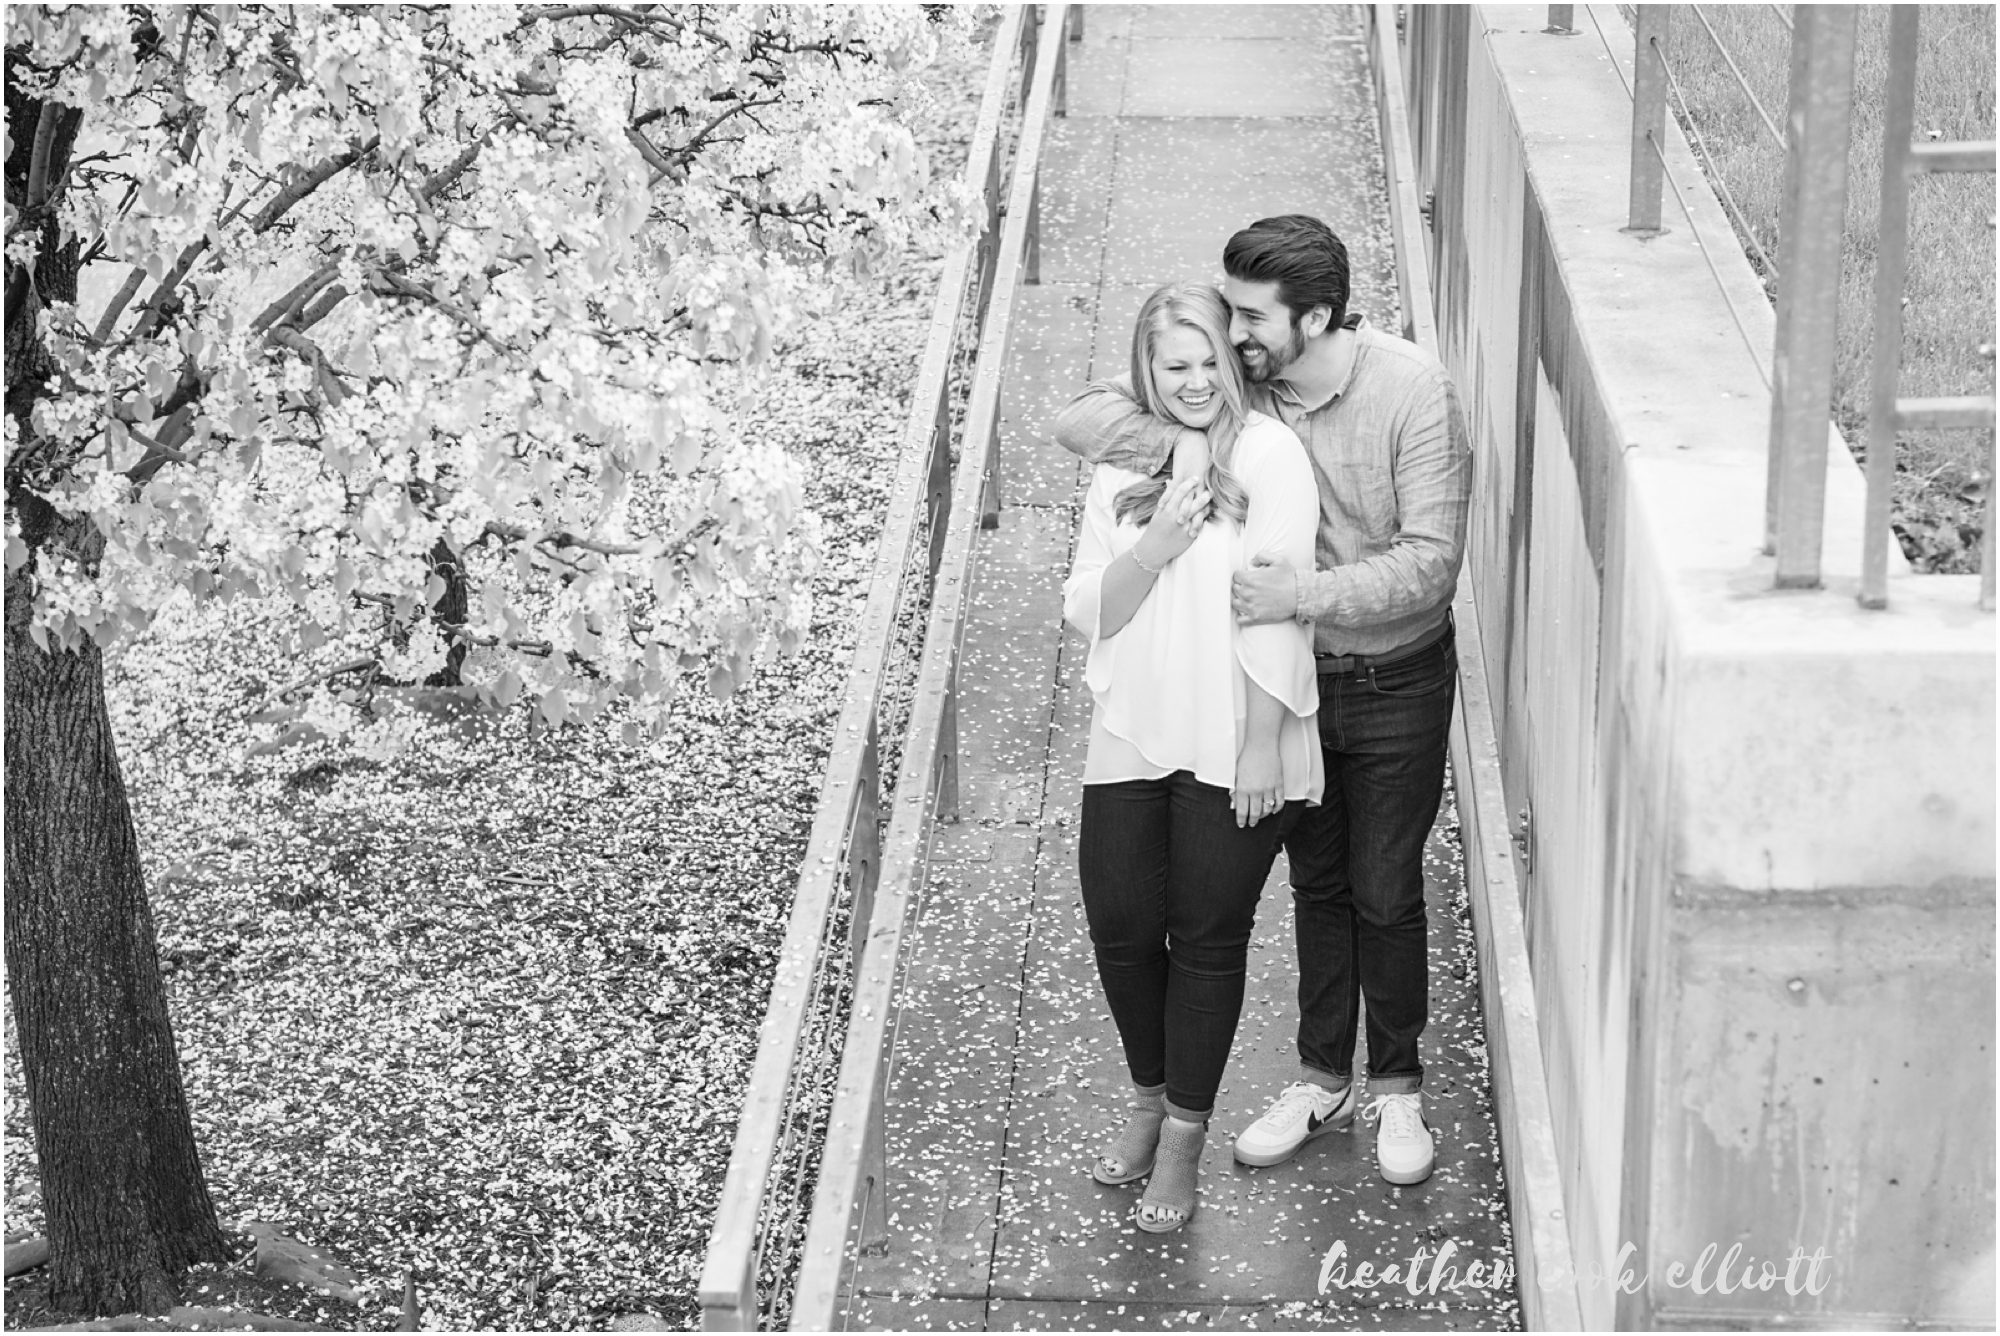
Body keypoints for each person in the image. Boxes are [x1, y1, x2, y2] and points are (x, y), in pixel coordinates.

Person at [1054, 215, 1471, 1188]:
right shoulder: (1252, 384)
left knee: (1384, 883)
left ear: (1312, 317)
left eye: (1248, 315)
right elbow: (1080, 417)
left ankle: (1396, 1084)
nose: (1232, 333)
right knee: (1316, 887)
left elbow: (1431, 562)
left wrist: (1301, 596)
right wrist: (1179, 444)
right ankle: (1321, 1075)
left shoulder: (1411, 393)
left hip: (1392, 673)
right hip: (1293, 681)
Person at [1062, 282, 1322, 1234]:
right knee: (1122, 930)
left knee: (1205, 942)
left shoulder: (1271, 454)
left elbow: (1275, 606)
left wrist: (1261, 746)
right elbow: (1092, 608)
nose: (1199, 381)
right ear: (1149, 373)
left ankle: (1182, 1135)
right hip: (1133, 724)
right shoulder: (1127, 460)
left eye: (1212, 359)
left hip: (1231, 737)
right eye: (1177, 367)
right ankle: (1144, 1097)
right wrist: (1161, 539)